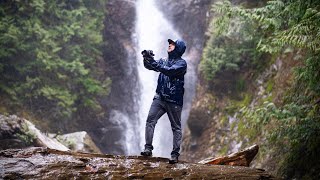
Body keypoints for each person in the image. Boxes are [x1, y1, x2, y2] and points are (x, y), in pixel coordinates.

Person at [140, 39, 187, 164]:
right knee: (150, 120)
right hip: (160, 98)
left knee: (176, 127)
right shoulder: (163, 61)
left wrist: (153, 63)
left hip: (174, 101)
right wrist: (147, 58)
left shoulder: (182, 64)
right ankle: (148, 148)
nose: (170, 45)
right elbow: (150, 66)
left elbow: (168, 71)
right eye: (169, 43)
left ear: (178, 48)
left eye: (173, 44)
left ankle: (175, 154)